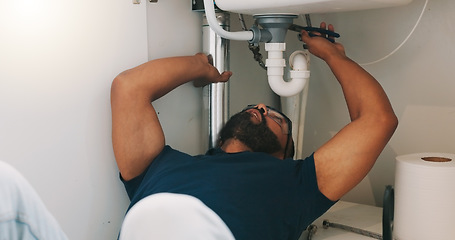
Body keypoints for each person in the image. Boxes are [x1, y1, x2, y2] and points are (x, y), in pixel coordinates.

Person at [111, 22, 398, 240]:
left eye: (277, 118)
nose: (262, 106)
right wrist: (198, 67)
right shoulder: (159, 165)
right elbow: (128, 88)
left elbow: (378, 120)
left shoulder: (299, 184)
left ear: (284, 156)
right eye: (259, 107)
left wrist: (335, 57)